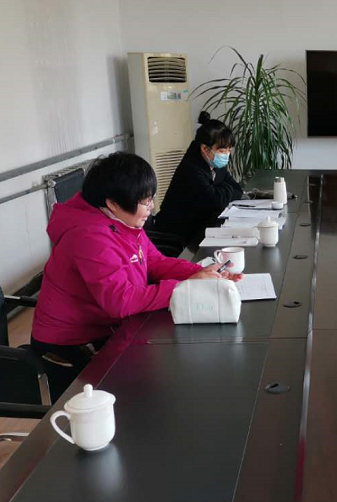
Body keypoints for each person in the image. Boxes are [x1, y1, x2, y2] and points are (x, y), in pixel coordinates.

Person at [31, 152, 238, 372]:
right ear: (112, 203)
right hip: (69, 348)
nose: (151, 207)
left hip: (107, 329)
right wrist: (186, 286)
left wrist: (201, 272)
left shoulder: (121, 221)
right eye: (145, 202)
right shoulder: (90, 236)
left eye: (151, 198)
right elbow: (120, 300)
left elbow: (154, 262)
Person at [152, 112, 244, 243]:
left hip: (201, 227)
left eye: (229, 150)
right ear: (205, 149)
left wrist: (220, 191)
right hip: (177, 236)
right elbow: (216, 201)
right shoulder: (191, 169)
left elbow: (237, 189)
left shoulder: (215, 163)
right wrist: (224, 190)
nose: (227, 155)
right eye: (222, 151)